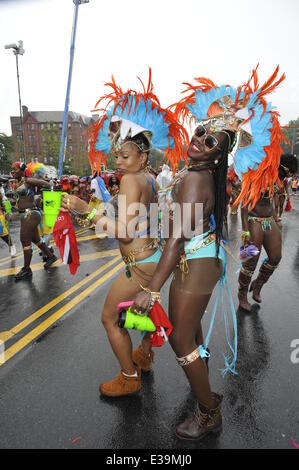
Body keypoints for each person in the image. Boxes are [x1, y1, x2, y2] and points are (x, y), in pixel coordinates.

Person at [134, 65, 286, 440]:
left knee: (180, 339)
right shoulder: (197, 176)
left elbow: (175, 240)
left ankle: (207, 412)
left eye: (211, 141)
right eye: (201, 132)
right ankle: (204, 390)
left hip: (194, 262)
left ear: (220, 155)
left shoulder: (196, 179)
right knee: (193, 334)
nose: (200, 140)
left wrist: (151, 289)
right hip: (201, 261)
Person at [61, 70, 187, 397]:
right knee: (135, 311)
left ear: (142, 156)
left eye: (125, 155)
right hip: (151, 258)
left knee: (109, 318)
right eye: (116, 154)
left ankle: (128, 377)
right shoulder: (145, 179)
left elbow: (127, 230)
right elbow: (133, 219)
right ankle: (144, 354)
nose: (117, 160)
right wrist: (92, 212)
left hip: (141, 262)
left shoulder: (131, 180)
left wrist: (85, 210)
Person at [238, 153, 298, 311]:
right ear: (284, 168)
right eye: (290, 172)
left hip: (268, 220)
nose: (290, 175)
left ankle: (257, 285)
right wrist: (245, 230)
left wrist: (276, 219)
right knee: (250, 260)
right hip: (253, 220)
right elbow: (244, 203)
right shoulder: (259, 174)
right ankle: (242, 294)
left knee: (276, 257)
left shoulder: (277, 179)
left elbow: (269, 201)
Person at [10, 162, 57, 280]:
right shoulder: (21, 182)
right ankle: (51, 256)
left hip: (30, 213)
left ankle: (26, 269)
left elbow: (44, 183)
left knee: (24, 239)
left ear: (22, 169)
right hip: (25, 214)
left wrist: (50, 185)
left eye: (15, 169)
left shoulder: (28, 180)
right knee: (35, 239)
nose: (13, 171)